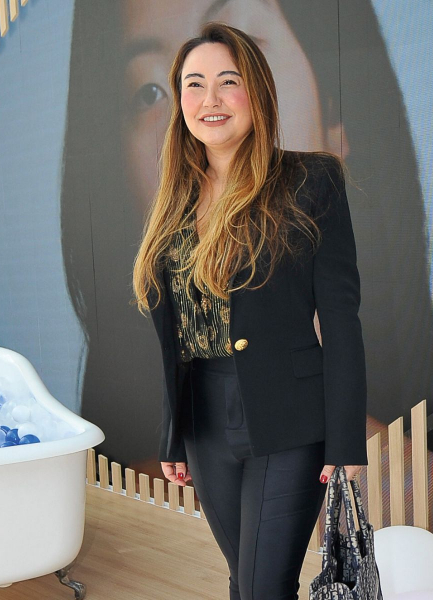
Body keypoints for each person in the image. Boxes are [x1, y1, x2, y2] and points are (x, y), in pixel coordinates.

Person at [132, 22, 367, 599]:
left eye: (227, 81)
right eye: (193, 84)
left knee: (265, 586)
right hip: (205, 422)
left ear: (256, 91)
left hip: (288, 418)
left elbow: (341, 319)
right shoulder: (173, 200)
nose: (209, 99)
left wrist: (346, 442)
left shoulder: (311, 180)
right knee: (245, 580)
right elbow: (176, 336)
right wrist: (172, 434)